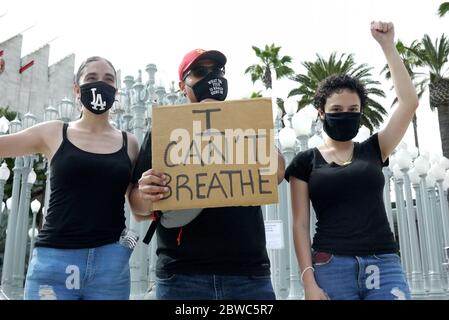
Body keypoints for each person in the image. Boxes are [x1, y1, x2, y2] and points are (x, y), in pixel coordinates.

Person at [129, 48, 285, 300]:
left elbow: (276, 173)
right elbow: (137, 207)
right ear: (183, 85)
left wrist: (244, 125)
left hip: (248, 275)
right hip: (181, 275)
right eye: (200, 72)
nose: (212, 78)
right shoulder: (163, 130)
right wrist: (147, 191)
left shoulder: (245, 122)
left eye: (217, 71)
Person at [285, 21, 417, 300]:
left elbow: (408, 103)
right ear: (321, 112)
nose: (345, 114)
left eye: (353, 109)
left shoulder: (375, 148)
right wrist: (308, 282)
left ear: (361, 112)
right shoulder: (304, 162)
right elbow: (299, 224)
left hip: (384, 264)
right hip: (330, 266)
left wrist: (388, 46)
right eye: (336, 109)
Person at [0, 56, 139, 300]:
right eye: (91, 78)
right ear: (77, 89)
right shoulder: (54, 132)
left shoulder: (130, 143)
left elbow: (138, 207)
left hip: (110, 265)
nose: (100, 85)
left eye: (108, 79)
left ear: (116, 91)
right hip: (54, 261)